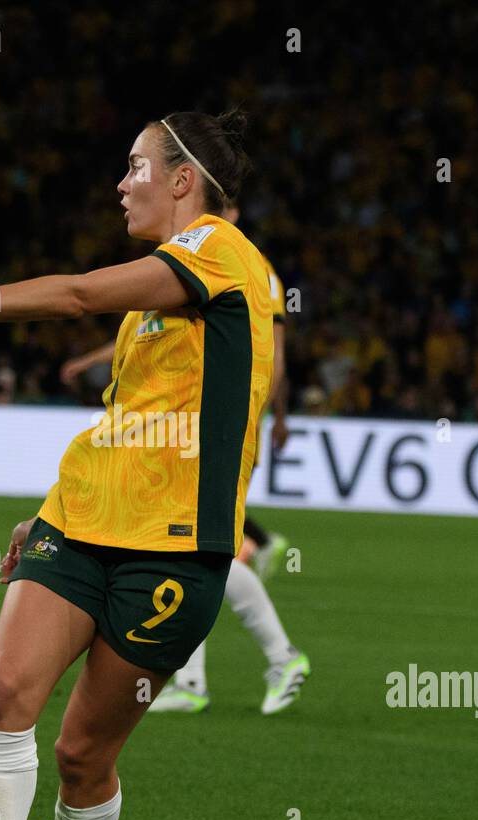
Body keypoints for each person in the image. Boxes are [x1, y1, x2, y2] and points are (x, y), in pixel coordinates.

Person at [0, 108, 271, 820]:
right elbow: (130, 419)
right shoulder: (164, 295)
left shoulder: (220, 252)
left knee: (82, 758)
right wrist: (51, 510)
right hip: (75, 526)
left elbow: (76, 295)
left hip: (171, 552)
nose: (120, 185)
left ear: (182, 181)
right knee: (6, 695)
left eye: (135, 167)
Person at [60, 205, 309, 715]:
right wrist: (91, 362)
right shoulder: (181, 261)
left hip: (211, 434)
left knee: (201, 547)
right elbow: (145, 326)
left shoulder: (250, 266)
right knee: (175, 546)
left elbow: (273, 352)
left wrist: (258, 418)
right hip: (171, 436)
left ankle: (279, 656)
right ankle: (193, 679)